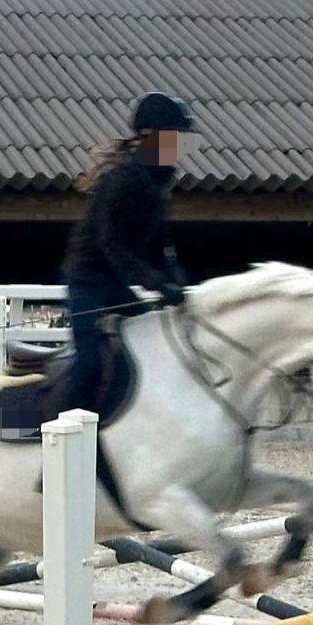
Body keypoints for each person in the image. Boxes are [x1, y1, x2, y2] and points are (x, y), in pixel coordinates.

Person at [60, 91, 195, 411]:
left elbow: (161, 243)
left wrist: (176, 276)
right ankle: (58, 435)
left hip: (115, 282)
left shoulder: (158, 181)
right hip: (88, 281)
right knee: (89, 362)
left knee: (154, 346)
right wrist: (157, 283)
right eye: (175, 137)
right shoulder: (122, 180)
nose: (179, 146)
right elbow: (112, 246)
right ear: (151, 136)